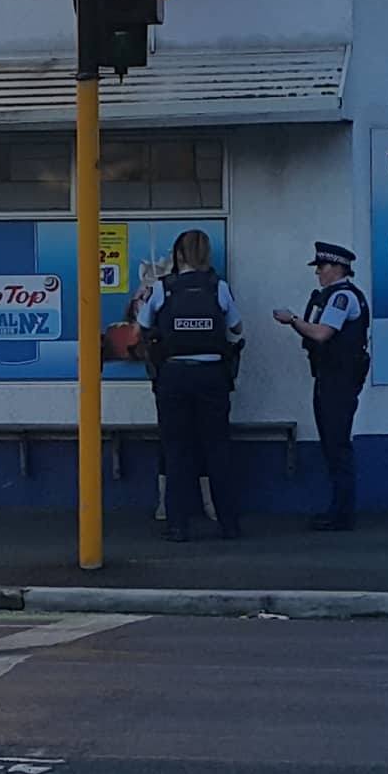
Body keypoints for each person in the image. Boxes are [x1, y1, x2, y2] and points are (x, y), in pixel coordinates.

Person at [136, 229, 243, 542]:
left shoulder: (163, 288)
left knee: (177, 449)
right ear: (206, 254)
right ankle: (228, 524)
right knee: (218, 448)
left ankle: (178, 525)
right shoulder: (218, 287)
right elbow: (237, 327)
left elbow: (143, 325)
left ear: (178, 255)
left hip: (174, 375)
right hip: (212, 375)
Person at [274, 242, 369, 530]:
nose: (318, 272)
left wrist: (292, 320)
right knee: (332, 444)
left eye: (322, 266)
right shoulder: (333, 295)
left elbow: (322, 333)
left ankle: (342, 514)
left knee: (337, 445)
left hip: (339, 380)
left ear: (338, 268)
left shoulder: (342, 297)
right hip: (330, 377)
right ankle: (338, 510)